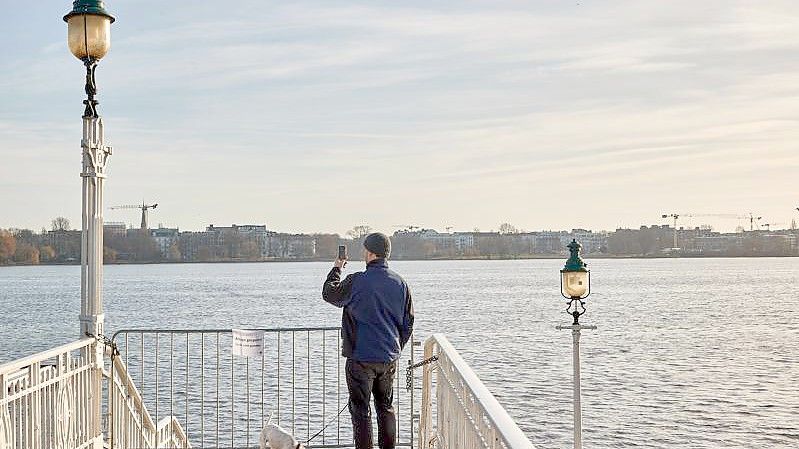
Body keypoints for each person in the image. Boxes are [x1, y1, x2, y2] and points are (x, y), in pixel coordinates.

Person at [322, 232, 414, 449]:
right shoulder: (401, 284)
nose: (363, 253)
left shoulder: (357, 281)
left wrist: (337, 268)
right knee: (385, 407)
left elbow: (329, 293)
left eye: (365, 250)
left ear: (371, 253)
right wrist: (395, 347)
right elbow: (408, 322)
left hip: (361, 358)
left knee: (361, 411)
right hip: (388, 357)